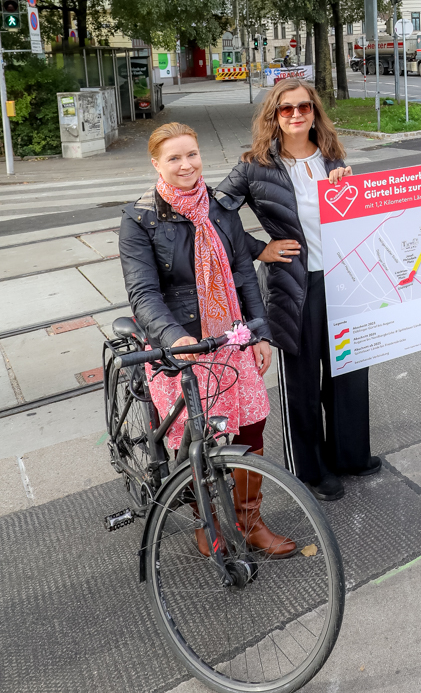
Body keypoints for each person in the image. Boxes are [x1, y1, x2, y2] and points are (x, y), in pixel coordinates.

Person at [119, 122, 295, 556]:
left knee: (251, 426)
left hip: (230, 336)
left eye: (192, 154)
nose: (186, 165)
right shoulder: (138, 218)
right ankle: (206, 519)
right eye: (174, 158)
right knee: (199, 434)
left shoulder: (219, 206)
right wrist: (175, 338)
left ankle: (250, 520)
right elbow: (144, 293)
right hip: (180, 341)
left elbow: (241, 273)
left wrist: (258, 332)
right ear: (156, 163)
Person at [217, 79, 379, 502]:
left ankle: (350, 455)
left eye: (303, 107)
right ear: (273, 116)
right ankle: (310, 468)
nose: (295, 115)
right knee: (302, 380)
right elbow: (217, 212)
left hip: (343, 280)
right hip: (294, 285)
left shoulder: (331, 158)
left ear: (314, 112)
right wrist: (259, 248)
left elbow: (351, 216)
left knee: (348, 369)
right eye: (285, 109)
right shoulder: (254, 165)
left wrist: (349, 185)